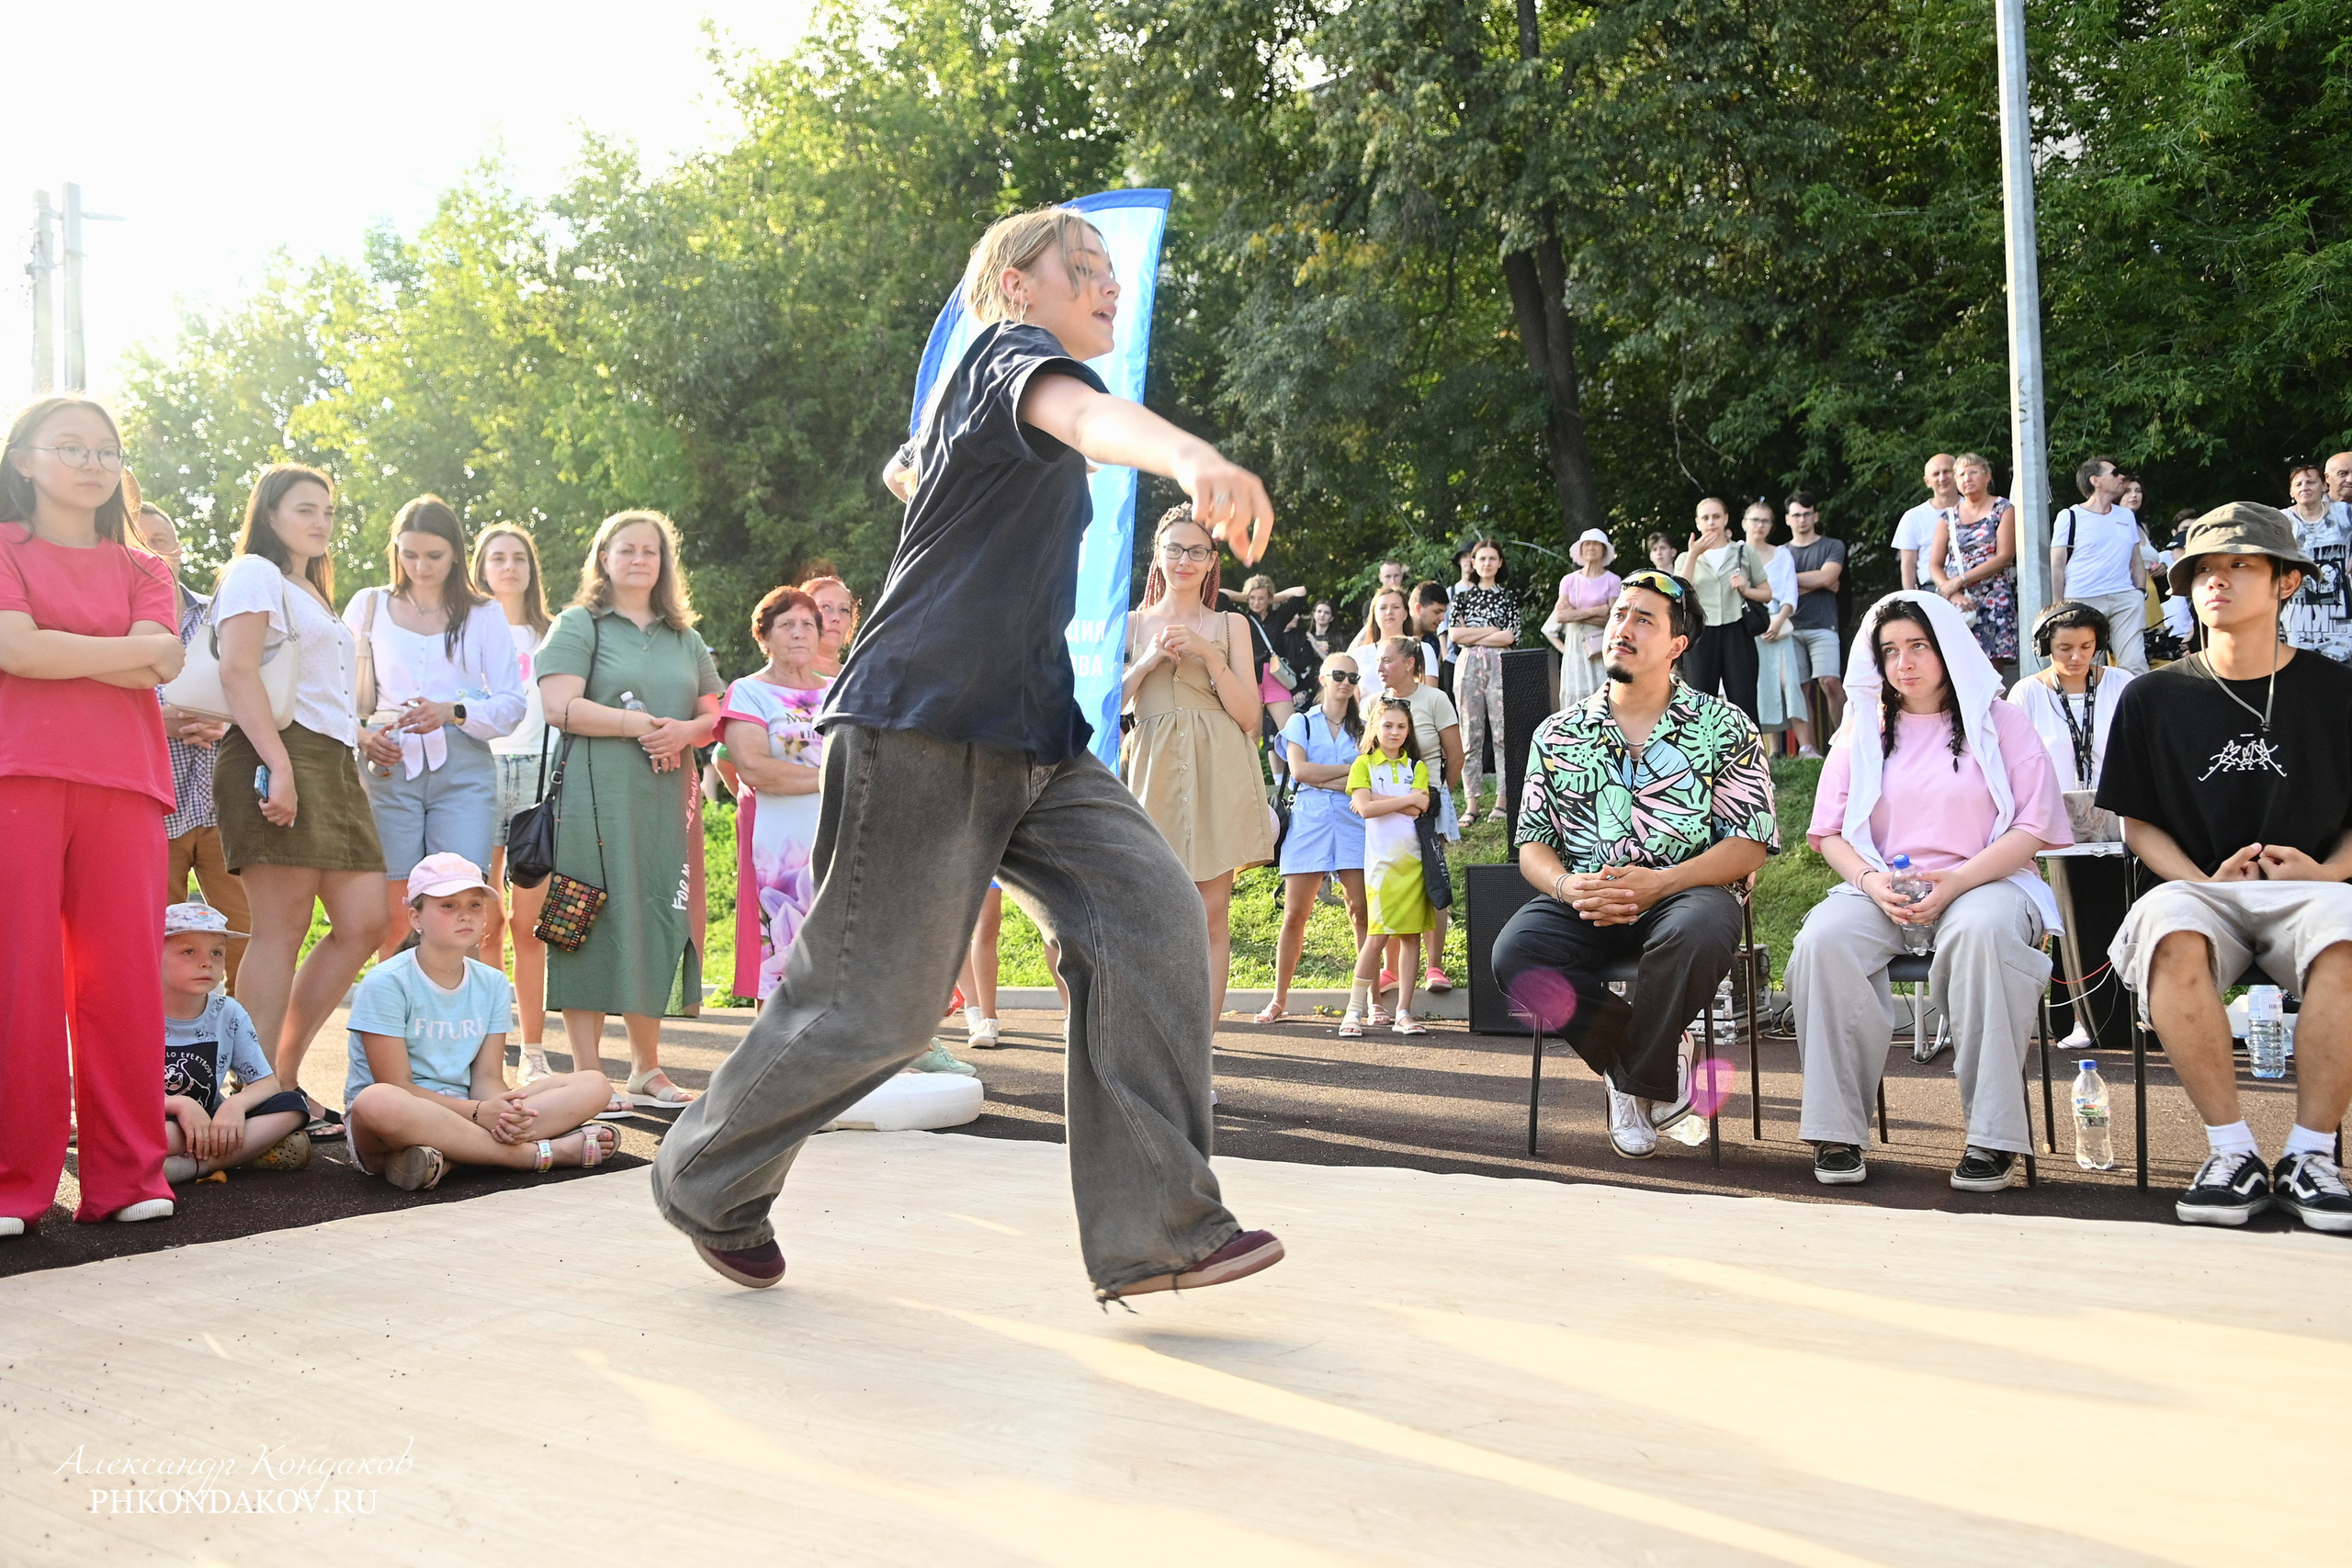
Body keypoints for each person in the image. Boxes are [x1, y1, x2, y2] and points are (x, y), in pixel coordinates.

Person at [650, 204, 1285, 1301]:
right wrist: (1193, 457)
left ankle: (1158, 1229)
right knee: (880, 1011)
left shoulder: (983, 402)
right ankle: (704, 1175)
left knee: (1154, 920)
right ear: (1012, 292)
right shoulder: (1011, 358)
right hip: (924, 720)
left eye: (1109, 270)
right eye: (1076, 267)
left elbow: (923, 473)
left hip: (1036, 731)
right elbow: (1088, 423)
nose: (1104, 282)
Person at [2098, 504, 2352, 1233]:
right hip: (2203, 887)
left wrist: (2330, 872)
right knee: (2170, 922)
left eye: (2241, 565)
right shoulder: (2151, 695)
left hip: (2314, 888)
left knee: (2348, 927)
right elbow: (2137, 821)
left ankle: (2311, 1155)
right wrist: (2201, 880)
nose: (2217, 581)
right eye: (2204, 570)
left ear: (2288, 584)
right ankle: (2231, 1151)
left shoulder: (2338, 691)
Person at [1491, 570, 1776, 1159]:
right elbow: (1533, 847)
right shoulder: (1557, 733)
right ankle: (1646, 1062)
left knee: (1698, 931)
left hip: (1687, 890)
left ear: (1677, 645)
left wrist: (1663, 882)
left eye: (1644, 618)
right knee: (1516, 954)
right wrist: (1568, 887)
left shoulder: (1724, 726)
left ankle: (1632, 1081)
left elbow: (1750, 843)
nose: (1623, 627)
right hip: (1591, 895)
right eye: (1620, 613)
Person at [1792, 592, 2069, 1190]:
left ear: (1947, 647)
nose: (1903, 662)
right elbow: (1829, 832)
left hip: (1986, 882)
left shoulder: (2001, 721)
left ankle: (1993, 1136)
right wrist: (1870, 881)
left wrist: (1961, 880)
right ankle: (1835, 1129)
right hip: (1885, 886)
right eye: (1889, 650)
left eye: (1918, 645)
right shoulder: (1863, 726)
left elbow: (2034, 825)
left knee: (1983, 931)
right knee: (1823, 938)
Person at [0, 396, 185, 1234]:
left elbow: (163, 665)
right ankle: (14, 1183)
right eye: (68, 447)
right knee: (19, 980)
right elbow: (13, 649)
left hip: (127, 783)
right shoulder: (3, 547)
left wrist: (51, 646)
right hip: (19, 777)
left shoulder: (148, 567)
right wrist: (119, 653)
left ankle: (125, 1175)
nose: (91, 463)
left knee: (122, 987)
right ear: (25, 461)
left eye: (105, 450)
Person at [212, 465, 386, 1143]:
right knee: (279, 928)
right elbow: (236, 668)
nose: (320, 522)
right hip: (276, 753)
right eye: (304, 508)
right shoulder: (255, 570)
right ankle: (258, 1090)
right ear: (271, 514)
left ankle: (278, 1073)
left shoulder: (312, 587)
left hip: (335, 761)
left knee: (366, 919)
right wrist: (279, 765)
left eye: (329, 511)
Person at [537, 509, 723, 1110]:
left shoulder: (685, 637)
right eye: (628, 549)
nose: (641, 558)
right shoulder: (579, 623)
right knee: (584, 922)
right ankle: (590, 1075)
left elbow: (713, 713)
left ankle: (647, 1069)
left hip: (668, 803)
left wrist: (684, 734)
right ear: (604, 558)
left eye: (652, 550)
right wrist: (637, 725)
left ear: (665, 563)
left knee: (656, 919)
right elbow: (558, 706)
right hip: (594, 799)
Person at [343, 854, 619, 1191]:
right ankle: (539, 1155)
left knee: (594, 1084)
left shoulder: (492, 982)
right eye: (448, 905)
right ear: (416, 917)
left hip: (473, 1112)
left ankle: (450, 1158)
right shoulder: (386, 982)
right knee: (377, 1101)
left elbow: (487, 1078)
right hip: (406, 1114)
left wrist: (503, 1113)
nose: (465, 915)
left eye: (475, 905)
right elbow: (398, 1085)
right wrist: (479, 1114)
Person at [345, 496, 526, 958]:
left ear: (456, 554)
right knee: (392, 914)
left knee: (460, 907)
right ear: (395, 550)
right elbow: (332, 691)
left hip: (463, 767)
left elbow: (511, 704)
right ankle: (392, 1026)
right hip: (387, 762)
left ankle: (458, 1025)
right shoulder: (369, 605)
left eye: (434, 556)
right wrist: (361, 736)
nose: (421, 567)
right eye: (409, 554)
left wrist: (454, 711)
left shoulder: (483, 613)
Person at [1123, 502, 1275, 1025]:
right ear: (1158, 556)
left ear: (1212, 561)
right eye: (1175, 549)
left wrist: (1210, 657)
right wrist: (1147, 662)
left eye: (1197, 551)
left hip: (1219, 767)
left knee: (1212, 914)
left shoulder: (1231, 624)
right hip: (1153, 769)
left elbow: (1250, 715)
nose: (1184, 560)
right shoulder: (1129, 623)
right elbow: (1109, 706)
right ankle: (1157, 1041)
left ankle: (1199, 1055)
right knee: (1155, 915)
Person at [2009, 601, 2137, 1050]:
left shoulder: (2122, 684)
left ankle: (2126, 1016)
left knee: (2118, 914)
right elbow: (2018, 762)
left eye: (2086, 646)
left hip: (2117, 821)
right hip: (2056, 824)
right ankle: (2078, 1018)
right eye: (2064, 648)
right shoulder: (2027, 693)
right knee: (2072, 917)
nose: (2076, 657)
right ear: (2046, 646)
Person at [141, 502, 251, 991]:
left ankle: (247, 1049)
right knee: (153, 936)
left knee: (247, 932)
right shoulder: (113, 626)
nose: (152, 551)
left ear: (180, 551)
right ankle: (162, 1045)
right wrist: (151, 722)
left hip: (221, 801)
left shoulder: (220, 617)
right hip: (151, 804)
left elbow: (258, 687)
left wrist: (228, 724)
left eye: (161, 539)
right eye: (139, 541)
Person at [472, 524, 556, 1078]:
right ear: (480, 567)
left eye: (518, 557)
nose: (508, 566)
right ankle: (485, 1050)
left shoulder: (552, 633)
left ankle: (533, 1050)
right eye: (497, 557)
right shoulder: (465, 627)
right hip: (476, 769)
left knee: (529, 923)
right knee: (483, 919)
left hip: (537, 775)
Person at [160, 903, 310, 1184]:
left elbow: (267, 1083)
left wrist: (236, 1105)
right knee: (132, 1133)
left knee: (293, 1106)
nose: (207, 962)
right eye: (189, 951)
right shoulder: (134, 1014)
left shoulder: (229, 1012)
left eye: (216, 952)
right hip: (159, 1122)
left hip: (213, 1123)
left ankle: (189, 1167)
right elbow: (118, 1098)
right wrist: (178, 1105)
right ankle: (243, 1154)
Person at [1261, 653, 1370, 1023]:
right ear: (1323, 678)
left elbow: (1365, 779)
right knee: (1294, 914)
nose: (1345, 682)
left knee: (1360, 912)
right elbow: (1301, 771)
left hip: (1353, 820)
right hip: (1309, 821)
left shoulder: (1366, 728)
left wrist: (1332, 777)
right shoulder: (1300, 722)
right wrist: (1347, 772)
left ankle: (1367, 1000)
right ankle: (1279, 998)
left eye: (1352, 677)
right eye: (1339, 674)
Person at [1374, 637, 1464, 997]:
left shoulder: (1434, 699)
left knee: (1431, 880)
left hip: (1430, 805)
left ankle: (1434, 966)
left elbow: (1455, 755)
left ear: (1410, 663)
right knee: (1394, 880)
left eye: (1386, 661)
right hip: (1386, 810)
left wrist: (1439, 795)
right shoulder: (1374, 704)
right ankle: (1391, 969)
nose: (1379, 668)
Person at [1340, 698, 1434, 1037]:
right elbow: (1364, 810)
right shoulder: (1363, 765)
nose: (1394, 732)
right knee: (1376, 936)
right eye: (1388, 725)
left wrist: (1382, 801)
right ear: (1375, 729)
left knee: (1411, 937)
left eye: (1401, 726)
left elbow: (1419, 807)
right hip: (1381, 865)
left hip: (1413, 863)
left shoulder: (1417, 767)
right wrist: (1406, 799)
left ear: (1409, 731)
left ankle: (1403, 1012)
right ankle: (1353, 1011)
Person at [2051, 457, 2153, 672]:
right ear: (2095, 480)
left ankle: (2135, 707)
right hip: (2083, 599)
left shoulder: (2126, 515)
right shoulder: (2069, 516)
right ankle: (2093, 707)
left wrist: (2139, 593)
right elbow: (2057, 565)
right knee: (2088, 667)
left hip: (2125, 598)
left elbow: (2136, 560)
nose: (2121, 477)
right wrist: (2059, 607)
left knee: (2135, 665)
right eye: (2115, 473)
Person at [1674, 498, 1769, 723]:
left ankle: (1750, 753)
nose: (1711, 522)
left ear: (1726, 519)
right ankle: (1701, 755)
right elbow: (1678, 594)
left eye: (1716, 516)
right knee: (1699, 697)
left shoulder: (1744, 552)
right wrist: (1694, 555)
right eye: (1705, 518)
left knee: (1743, 698)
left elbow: (1767, 593)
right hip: (1701, 632)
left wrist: (1746, 589)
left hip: (1737, 629)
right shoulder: (1686, 558)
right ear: (1697, 522)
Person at [1448, 537, 1520, 826]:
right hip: (1468, 665)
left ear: (1500, 562)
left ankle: (1503, 799)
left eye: (1492, 558)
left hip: (1500, 663)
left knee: (1503, 734)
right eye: (1482, 558)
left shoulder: (1509, 596)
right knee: (1470, 734)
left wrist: (1475, 632)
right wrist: (1491, 630)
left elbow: (1510, 636)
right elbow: (1455, 636)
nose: (1487, 563)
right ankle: (1472, 803)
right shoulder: (1462, 597)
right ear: (1473, 563)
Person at [1928, 454, 2019, 673]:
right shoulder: (1948, 517)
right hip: (1958, 601)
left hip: (1993, 598)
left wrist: (1960, 580)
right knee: (1956, 668)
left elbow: (2005, 556)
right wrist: (1951, 592)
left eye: (1973, 472)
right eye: (1961, 474)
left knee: (1992, 670)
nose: (1967, 478)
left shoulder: (2003, 509)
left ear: (1987, 476)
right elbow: (1935, 565)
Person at [1743, 501, 1815, 756]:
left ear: (1772, 526)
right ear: (1744, 524)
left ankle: (1806, 747)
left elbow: (1789, 594)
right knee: (1761, 686)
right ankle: (1770, 751)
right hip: (1748, 628)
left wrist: (1777, 619)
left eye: (1765, 521)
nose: (1759, 526)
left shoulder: (1781, 553)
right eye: (1754, 520)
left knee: (1789, 683)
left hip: (1779, 624)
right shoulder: (1737, 553)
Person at [1784, 491, 1848, 737]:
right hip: (1789, 627)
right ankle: (1808, 750)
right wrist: (1819, 581)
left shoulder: (1832, 545)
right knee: (1800, 688)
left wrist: (1791, 582)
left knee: (1830, 682)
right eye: (1797, 515)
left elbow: (1828, 577)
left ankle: (1844, 740)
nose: (1802, 520)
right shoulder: (1780, 552)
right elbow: (1773, 587)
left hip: (1823, 625)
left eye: (1807, 514)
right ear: (1788, 519)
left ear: (1816, 516)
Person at [2280, 459, 2352, 663]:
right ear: (2292, 492)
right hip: (2298, 610)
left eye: (2311, 482)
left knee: (2342, 672)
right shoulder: (2282, 520)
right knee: (2302, 669)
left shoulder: (2344, 513)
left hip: (2340, 608)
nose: (2305, 487)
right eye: (2298, 484)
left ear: (2324, 486)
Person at [1223, 573, 1309, 740]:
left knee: (1292, 732)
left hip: (1276, 677)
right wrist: (1244, 596)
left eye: (1261, 598)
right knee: (1251, 736)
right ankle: (1251, 767)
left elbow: (1301, 592)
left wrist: (1272, 598)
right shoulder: (1242, 618)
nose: (1256, 603)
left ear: (1269, 599)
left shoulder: (1278, 618)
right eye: (1252, 598)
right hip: (1249, 678)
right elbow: (1219, 595)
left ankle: (1294, 766)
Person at [1541, 527, 1621, 707]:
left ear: (1604, 550)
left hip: (1600, 643)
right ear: (1581, 549)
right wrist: (1597, 610)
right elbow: (1560, 615)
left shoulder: (1613, 580)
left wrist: (1575, 614)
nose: (1591, 548)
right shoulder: (1569, 580)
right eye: (1587, 544)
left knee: (1603, 690)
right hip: (1575, 643)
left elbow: (1613, 618)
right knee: (1575, 689)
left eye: (1596, 544)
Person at [1894, 454, 1960, 592]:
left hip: (1973, 587)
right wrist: (1911, 600)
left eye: (1947, 471)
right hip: (1931, 590)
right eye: (1936, 474)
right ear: (1927, 481)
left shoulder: (1975, 510)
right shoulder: (1912, 517)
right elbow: (1908, 566)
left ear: (1957, 473)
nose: (1942, 478)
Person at [801, 575, 862, 678]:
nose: (836, 618)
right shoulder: (785, 680)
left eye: (844, 610)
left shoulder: (859, 679)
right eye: (825, 607)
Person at [1348, 583, 1414, 655]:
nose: (1389, 612)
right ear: (1375, 615)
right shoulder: (1360, 654)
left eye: (1396, 607)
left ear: (1406, 614)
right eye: (1383, 608)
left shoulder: (1422, 649)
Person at [1302, 599, 1339, 663]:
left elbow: (1335, 664)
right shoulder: (1307, 637)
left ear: (1332, 618)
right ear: (1314, 614)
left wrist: (1316, 648)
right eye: (1319, 611)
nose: (1322, 615)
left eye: (1327, 613)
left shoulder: (1337, 639)